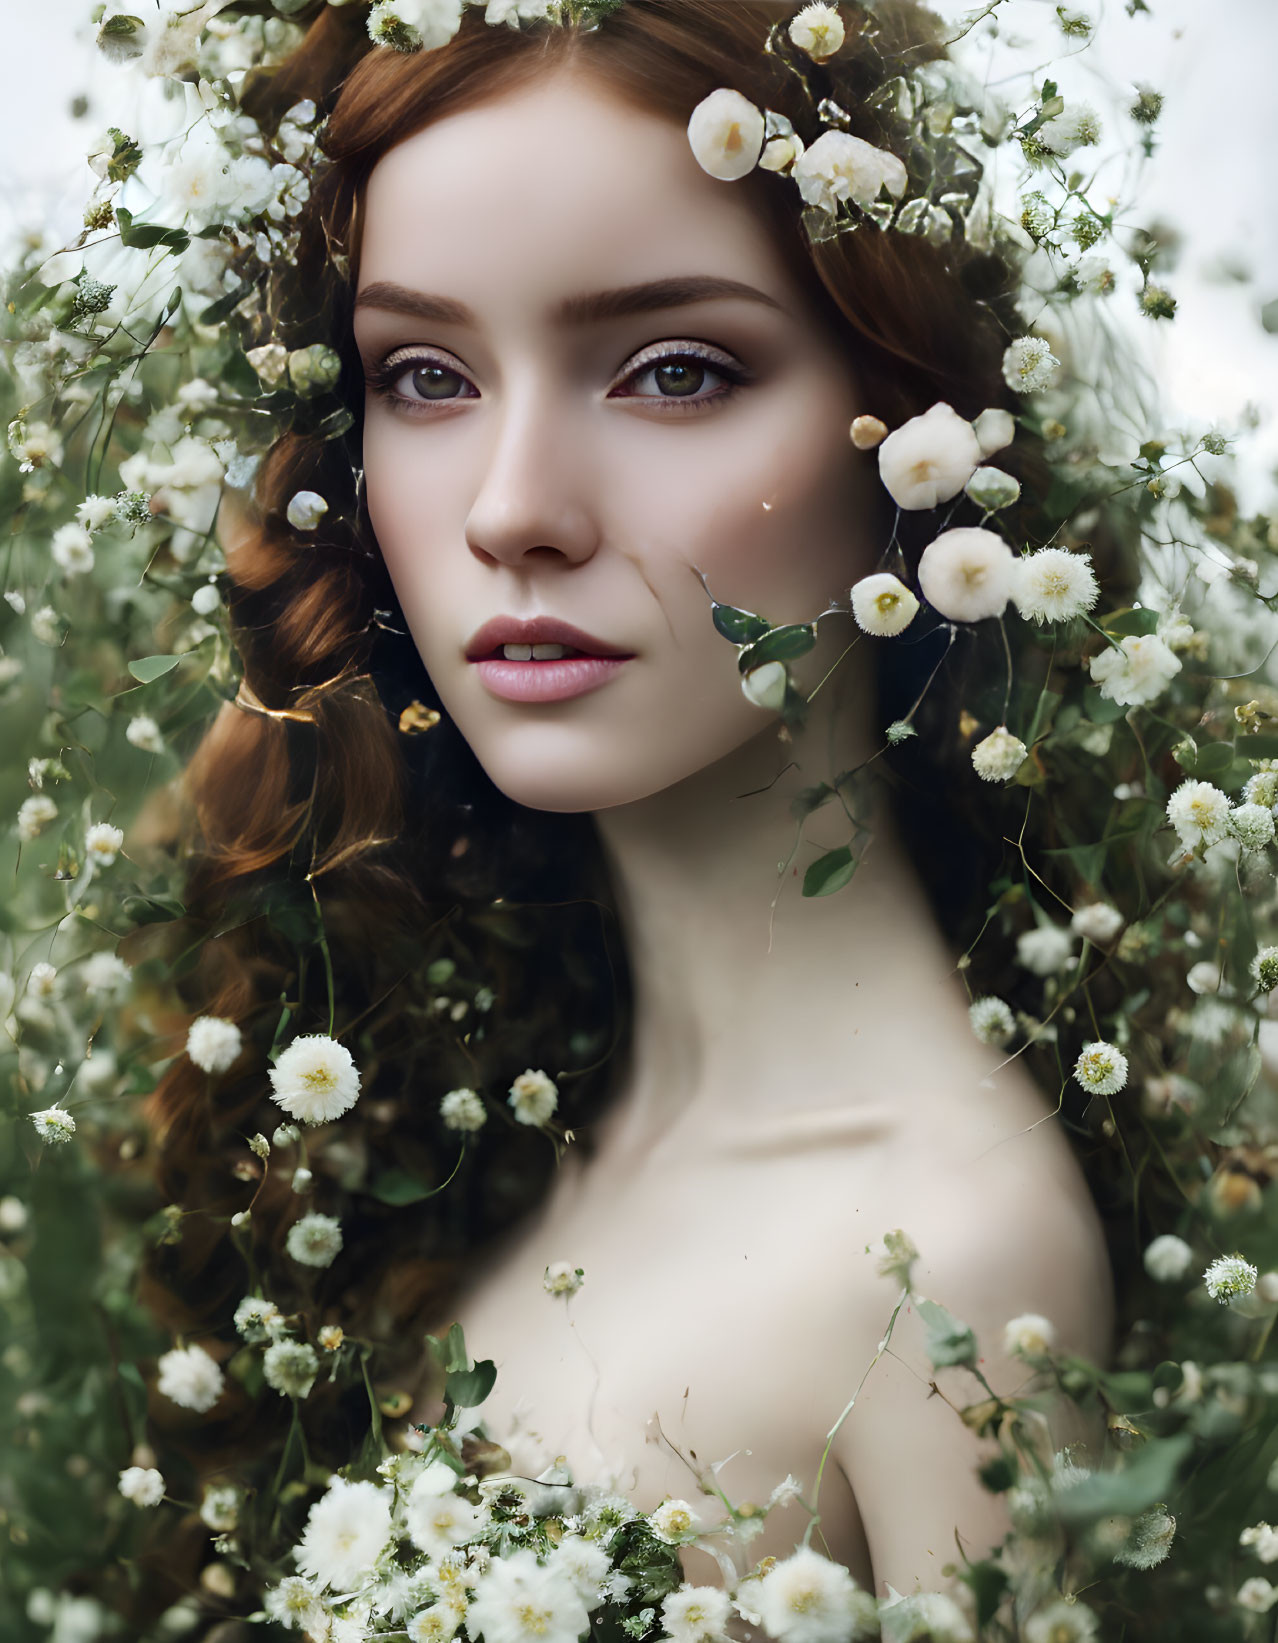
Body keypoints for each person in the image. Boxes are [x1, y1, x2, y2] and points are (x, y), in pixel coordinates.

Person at [143, 0, 1119, 1621]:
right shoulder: (483, 1117)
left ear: (919, 441)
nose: (515, 508)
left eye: (674, 369)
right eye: (427, 374)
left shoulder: (948, 1256)